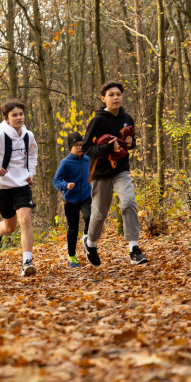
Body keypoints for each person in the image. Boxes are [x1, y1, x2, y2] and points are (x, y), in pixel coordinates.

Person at [82, 81, 149, 266]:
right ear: (103, 98)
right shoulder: (97, 120)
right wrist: (107, 147)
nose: (116, 97)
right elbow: (87, 148)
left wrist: (131, 143)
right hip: (100, 173)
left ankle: (134, 249)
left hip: (121, 170)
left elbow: (130, 142)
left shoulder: (127, 117)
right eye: (111, 94)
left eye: (118, 94)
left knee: (128, 202)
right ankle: (91, 243)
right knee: (99, 214)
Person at [0, 98, 38, 277]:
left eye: (21, 114)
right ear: (6, 118)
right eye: (14, 115)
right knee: (10, 227)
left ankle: (27, 261)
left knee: (25, 220)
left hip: (22, 185)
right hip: (2, 186)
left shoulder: (29, 136)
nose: (19, 118)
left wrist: (31, 173)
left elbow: (33, 155)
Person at [52, 132, 92, 268]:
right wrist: (66, 185)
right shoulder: (66, 162)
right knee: (73, 229)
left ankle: (87, 240)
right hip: (71, 199)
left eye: (82, 145)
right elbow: (56, 181)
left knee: (90, 217)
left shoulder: (88, 159)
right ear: (70, 147)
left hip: (86, 196)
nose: (80, 148)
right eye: (77, 145)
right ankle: (71, 255)